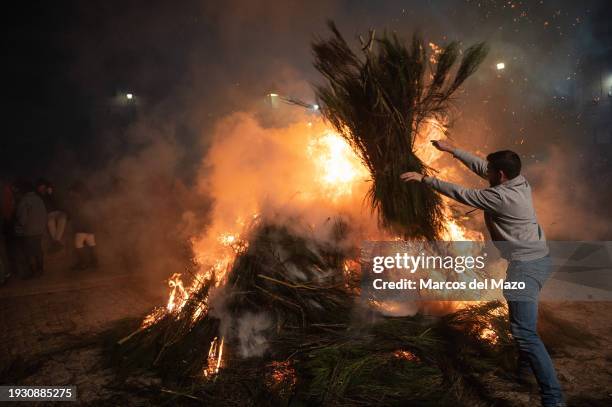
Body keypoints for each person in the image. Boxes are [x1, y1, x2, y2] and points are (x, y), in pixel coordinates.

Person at [400, 141, 565, 407]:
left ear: (500, 175)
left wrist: (424, 179)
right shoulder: (519, 182)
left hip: (526, 266)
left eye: (490, 171)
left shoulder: (500, 197)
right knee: (524, 326)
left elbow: (462, 193)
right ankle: (525, 373)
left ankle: (554, 399)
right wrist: (453, 150)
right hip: (540, 258)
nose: (485, 172)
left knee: (524, 332)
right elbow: (481, 167)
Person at [13, 180, 47, 279]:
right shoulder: (39, 199)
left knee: (29, 253)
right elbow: (44, 214)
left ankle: (33, 272)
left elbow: (22, 219)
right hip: (39, 230)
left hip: (29, 231)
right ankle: (40, 270)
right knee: (38, 250)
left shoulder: (24, 200)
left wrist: (17, 228)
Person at [68, 181, 98, 270]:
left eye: (71, 191)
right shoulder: (89, 199)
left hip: (81, 226)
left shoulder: (76, 200)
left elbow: (75, 213)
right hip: (90, 226)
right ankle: (95, 262)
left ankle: (83, 263)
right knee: (91, 244)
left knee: (78, 245)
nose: (70, 193)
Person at [36, 178, 67, 252]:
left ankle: (56, 242)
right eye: (40, 188)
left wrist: (51, 193)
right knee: (50, 222)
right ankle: (57, 242)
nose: (42, 189)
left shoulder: (51, 192)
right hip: (49, 213)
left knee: (63, 218)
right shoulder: (39, 197)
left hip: (59, 211)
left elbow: (59, 201)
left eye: (43, 187)